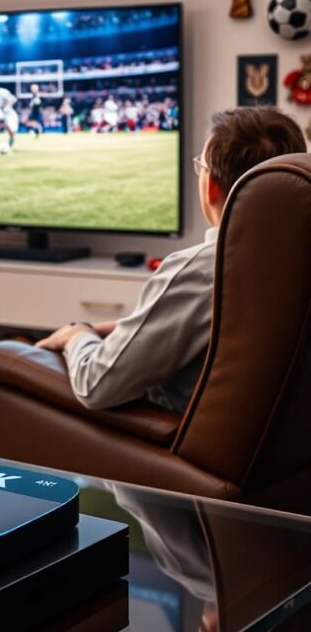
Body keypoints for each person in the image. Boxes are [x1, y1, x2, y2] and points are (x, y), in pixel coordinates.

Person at [37, 107, 306, 414]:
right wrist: (127, 329)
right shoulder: (293, 261)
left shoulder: (205, 271)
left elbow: (97, 384)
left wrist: (77, 335)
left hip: (183, 446)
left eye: (200, 167)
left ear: (211, 185)